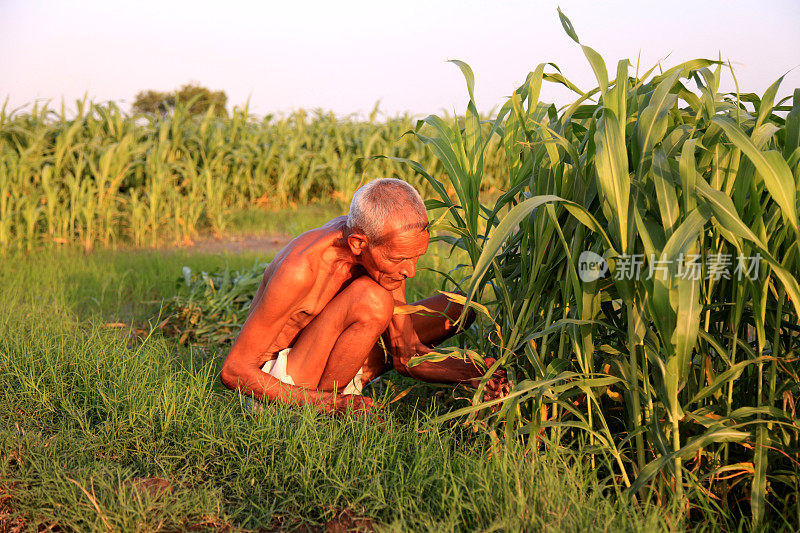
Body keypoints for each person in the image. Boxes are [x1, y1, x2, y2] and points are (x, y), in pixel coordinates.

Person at [220, 178, 509, 414]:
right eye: (400, 259)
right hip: (279, 387)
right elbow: (234, 371)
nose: (411, 271)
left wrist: (473, 372)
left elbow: (406, 354)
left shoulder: (382, 253)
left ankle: (345, 393)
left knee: (458, 307)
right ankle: (333, 407)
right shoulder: (300, 269)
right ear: (359, 243)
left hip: (333, 357)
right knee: (373, 299)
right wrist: (328, 403)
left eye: (416, 257)